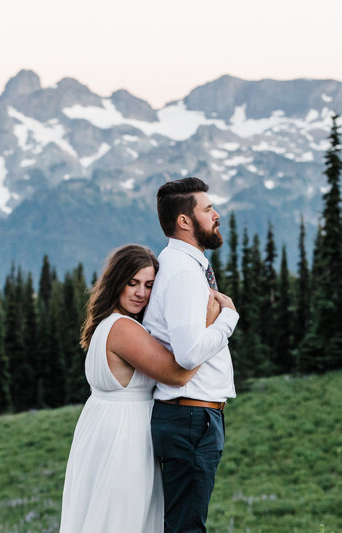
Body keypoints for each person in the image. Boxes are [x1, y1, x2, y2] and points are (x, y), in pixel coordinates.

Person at [59, 244, 236, 533]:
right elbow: (178, 375)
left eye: (149, 285)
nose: (141, 293)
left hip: (104, 429)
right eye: (133, 283)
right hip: (124, 437)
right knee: (124, 518)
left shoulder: (108, 324)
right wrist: (214, 322)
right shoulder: (123, 329)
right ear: (116, 282)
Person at [143, 177, 239, 532]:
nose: (217, 214)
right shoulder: (183, 272)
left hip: (192, 417)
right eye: (208, 208)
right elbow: (188, 353)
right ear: (185, 221)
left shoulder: (184, 265)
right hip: (191, 418)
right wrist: (229, 318)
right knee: (187, 526)